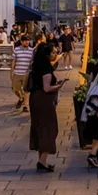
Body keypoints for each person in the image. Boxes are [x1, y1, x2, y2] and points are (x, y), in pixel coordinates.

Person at [28, 41, 65, 171]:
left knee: (40, 127)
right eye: (54, 52)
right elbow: (47, 88)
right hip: (43, 101)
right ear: (47, 54)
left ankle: (42, 161)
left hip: (35, 99)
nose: (56, 54)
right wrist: (59, 86)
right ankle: (42, 161)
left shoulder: (37, 65)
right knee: (49, 128)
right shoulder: (46, 69)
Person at [10, 34, 34, 112]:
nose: (27, 42)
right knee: (15, 89)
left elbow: (32, 62)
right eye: (25, 41)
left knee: (26, 90)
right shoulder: (16, 49)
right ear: (21, 41)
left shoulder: (31, 50)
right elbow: (13, 61)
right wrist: (11, 72)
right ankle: (21, 98)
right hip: (17, 72)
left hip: (26, 73)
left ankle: (26, 106)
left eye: (28, 41)